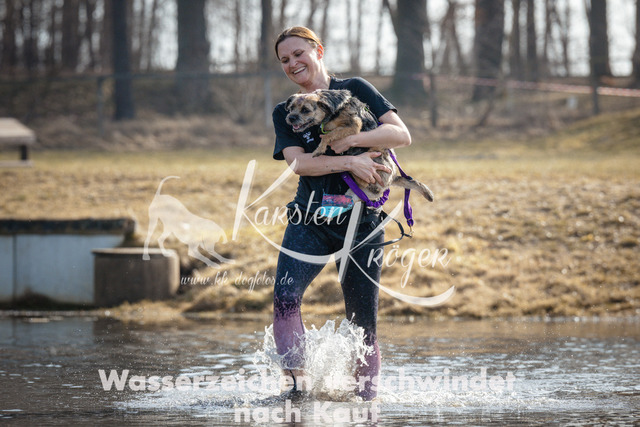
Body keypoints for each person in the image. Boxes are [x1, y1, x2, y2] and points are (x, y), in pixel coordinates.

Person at [271, 26, 412, 401]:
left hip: (362, 223)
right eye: (284, 59)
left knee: (363, 323)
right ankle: (296, 396)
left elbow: (400, 135)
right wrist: (350, 161)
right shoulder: (286, 111)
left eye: (298, 53)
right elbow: (299, 164)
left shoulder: (355, 89)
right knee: (285, 299)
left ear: (318, 50)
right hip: (310, 220)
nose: (293, 63)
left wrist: (352, 141)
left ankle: (366, 407)